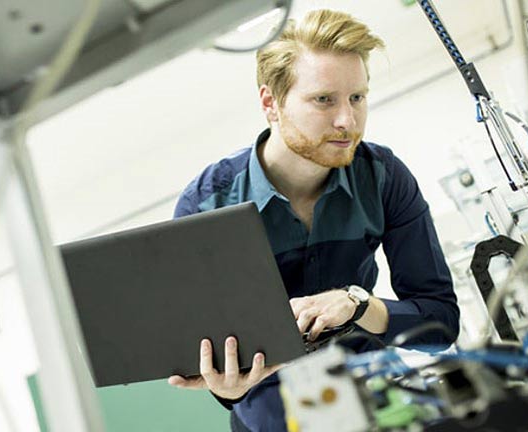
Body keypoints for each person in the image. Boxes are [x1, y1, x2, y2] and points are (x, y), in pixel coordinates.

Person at [167, 9, 459, 432]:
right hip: (273, 416)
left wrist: (357, 305)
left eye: (357, 97)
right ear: (271, 103)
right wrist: (227, 387)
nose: (347, 121)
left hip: (381, 403)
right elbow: (211, 357)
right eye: (324, 100)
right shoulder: (207, 205)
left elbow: (440, 323)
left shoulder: (383, 177)